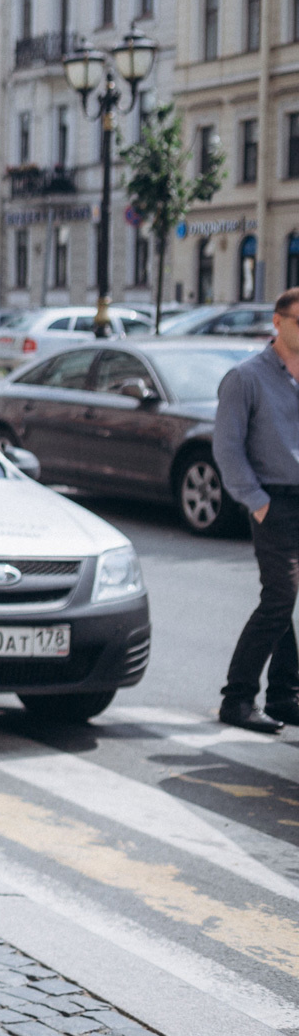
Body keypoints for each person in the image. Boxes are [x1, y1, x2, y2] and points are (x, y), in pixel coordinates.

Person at [214, 287, 299, 734]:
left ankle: (285, 696)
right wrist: (258, 502)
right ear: (278, 322)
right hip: (274, 500)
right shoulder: (246, 377)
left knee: (289, 600)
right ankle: (237, 697)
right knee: (279, 597)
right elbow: (227, 450)